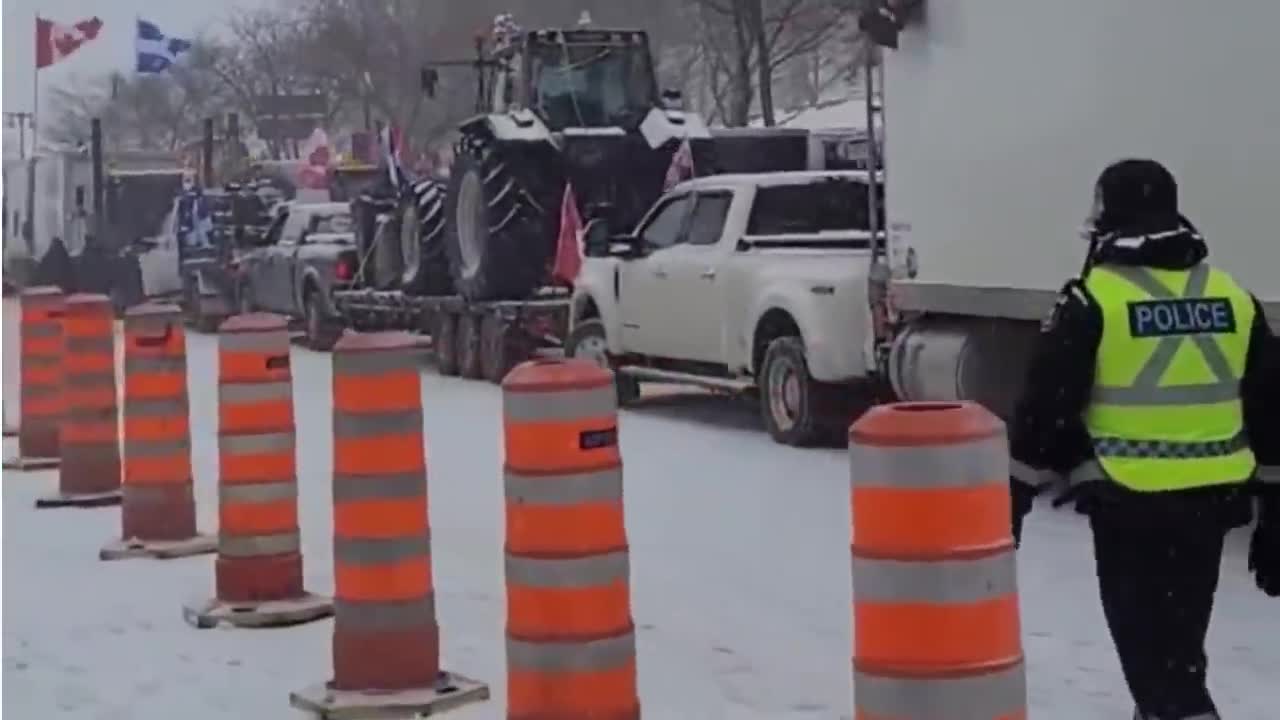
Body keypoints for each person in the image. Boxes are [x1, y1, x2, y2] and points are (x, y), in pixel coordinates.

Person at [1007, 158, 1280, 720]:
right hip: (1212, 507)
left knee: (1159, 675)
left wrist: (1011, 497)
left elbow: (1044, 411)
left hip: (1131, 510)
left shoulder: (1094, 300)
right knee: (1176, 657)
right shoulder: (1233, 297)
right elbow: (1274, 413)